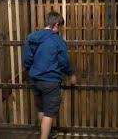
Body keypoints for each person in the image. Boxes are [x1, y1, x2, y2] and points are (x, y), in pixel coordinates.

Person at [23, 11, 77, 139]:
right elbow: (64, 61)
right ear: (56, 24)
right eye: (60, 27)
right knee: (49, 112)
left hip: (35, 79)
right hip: (50, 81)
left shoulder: (32, 37)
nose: (60, 30)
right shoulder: (57, 40)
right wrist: (70, 74)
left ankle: (45, 133)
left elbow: (27, 59)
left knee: (41, 108)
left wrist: (30, 70)